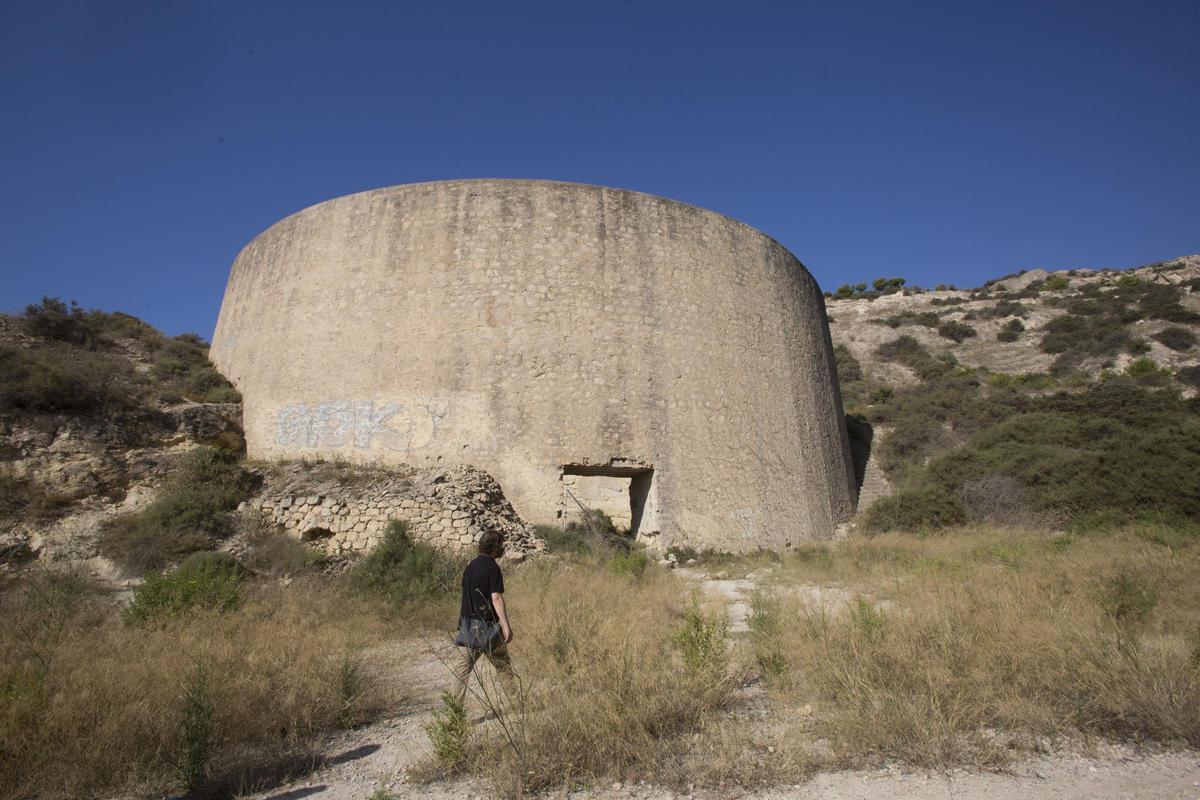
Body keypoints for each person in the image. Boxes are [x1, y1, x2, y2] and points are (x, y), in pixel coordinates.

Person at [451, 530, 515, 709]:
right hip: (488, 626)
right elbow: (496, 598)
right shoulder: (492, 567)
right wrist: (505, 625)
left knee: (461, 671)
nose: (502, 548)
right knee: (503, 666)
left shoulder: (470, 566)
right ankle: (517, 703)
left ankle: (454, 713)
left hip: (468, 625)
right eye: (501, 545)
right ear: (495, 547)